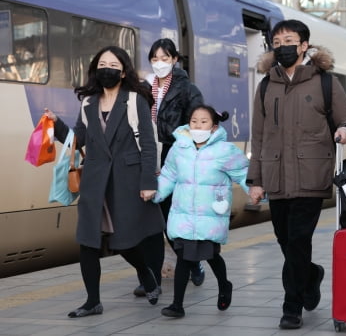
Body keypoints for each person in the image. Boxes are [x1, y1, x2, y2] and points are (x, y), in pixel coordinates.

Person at [247, 19, 346, 329]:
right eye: (278, 41)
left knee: (298, 240)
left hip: (312, 175)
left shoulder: (324, 81)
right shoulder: (267, 85)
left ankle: (291, 307)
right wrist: (255, 180)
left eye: (289, 40)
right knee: (285, 241)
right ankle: (311, 275)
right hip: (277, 176)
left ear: (304, 45)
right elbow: (258, 136)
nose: (283, 46)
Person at [43, 46, 164, 317]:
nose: (106, 68)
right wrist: (56, 124)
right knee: (88, 242)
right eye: (101, 64)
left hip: (126, 180)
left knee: (124, 241)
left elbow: (147, 143)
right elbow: (79, 140)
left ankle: (145, 273)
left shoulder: (134, 100)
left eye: (112, 64)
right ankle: (92, 301)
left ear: (123, 71)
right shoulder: (89, 103)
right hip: (96, 182)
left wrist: (148, 182)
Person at [153, 105, 248, 318]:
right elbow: (168, 174)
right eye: (194, 121)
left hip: (209, 216)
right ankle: (177, 305)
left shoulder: (225, 151)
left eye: (203, 121)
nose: (197, 125)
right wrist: (156, 194)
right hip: (184, 215)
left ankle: (224, 285)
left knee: (212, 256)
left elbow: (244, 174)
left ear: (214, 127)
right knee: (185, 258)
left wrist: (257, 192)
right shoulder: (180, 148)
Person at [135, 38, 205, 297]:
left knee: (170, 219)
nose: (160, 64)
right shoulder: (143, 88)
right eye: (155, 59)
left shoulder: (187, 89)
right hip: (145, 155)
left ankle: (193, 262)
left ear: (175, 60)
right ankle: (149, 277)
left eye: (165, 58)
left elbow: (198, 122)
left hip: (172, 156)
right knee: (146, 220)